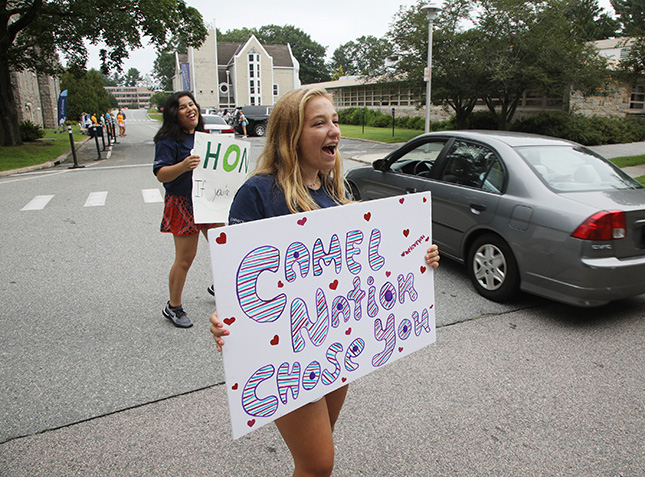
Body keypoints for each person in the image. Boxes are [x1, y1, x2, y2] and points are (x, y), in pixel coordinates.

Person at [209, 88, 440, 476]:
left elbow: (368, 263)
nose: (333, 129)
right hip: (286, 354)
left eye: (334, 120)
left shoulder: (334, 189)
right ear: (290, 134)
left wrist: (419, 258)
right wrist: (223, 317)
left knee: (317, 451)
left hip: (334, 345)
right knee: (318, 462)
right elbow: (239, 277)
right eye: (319, 123)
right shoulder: (259, 192)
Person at [153, 91, 222, 328]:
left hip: (207, 198)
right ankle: (173, 307)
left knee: (223, 246)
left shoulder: (203, 136)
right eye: (183, 107)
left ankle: (220, 287)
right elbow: (161, 174)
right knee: (185, 258)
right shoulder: (167, 140)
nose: (190, 109)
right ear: (174, 113)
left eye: (192, 104)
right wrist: (182, 166)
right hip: (182, 202)